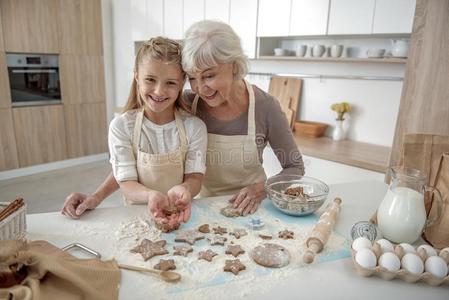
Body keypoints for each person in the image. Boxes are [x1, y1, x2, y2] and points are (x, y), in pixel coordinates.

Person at [62, 20, 304, 220]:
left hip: (253, 207)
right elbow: (135, 159)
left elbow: (295, 166)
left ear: (234, 66)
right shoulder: (187, 103)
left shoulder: (265, 107)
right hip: (204, 209)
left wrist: (259, 191)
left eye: (209, 76)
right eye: (192, 78)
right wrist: (96, 196)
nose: (200, 88)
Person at [61, 37, 207, 226]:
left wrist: (186, 189)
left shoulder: (194, 127)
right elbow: (126, 181)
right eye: (150, 79)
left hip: (182, 215)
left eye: (170, 83)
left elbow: (195, 178)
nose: (159, 91)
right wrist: (150, 195)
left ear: (182, 83)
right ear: (137, 76)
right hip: (137, 219)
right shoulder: (122, 126)